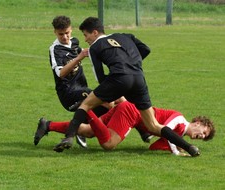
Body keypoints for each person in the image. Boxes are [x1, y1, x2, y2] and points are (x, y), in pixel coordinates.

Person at [53, 16, 200, 157]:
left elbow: (100, 77)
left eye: (86, 35)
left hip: (119, 78)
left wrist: (112, 85)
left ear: (95, 32)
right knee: (154, 126)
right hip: (138, 79)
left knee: (85, 105)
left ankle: (69, 138)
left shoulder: (94, 47)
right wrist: (133, 64)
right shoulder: (125, 35)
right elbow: (146, 49)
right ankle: (189, 147)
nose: (86, 39)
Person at [35, 100, 215, 156]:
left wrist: (175, 146)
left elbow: (154, 146)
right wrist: (177, 149)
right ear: (198, 123)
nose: (201, 136)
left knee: (89, 131)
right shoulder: (180, 120)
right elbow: (165, 129)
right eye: (204, 133)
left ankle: (48, 125)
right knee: (108, 144)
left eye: (204, 137)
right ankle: (87, 108)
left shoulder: (180, 131)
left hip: (129, 111)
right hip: (130, 112)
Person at [38, 15, 108, 148]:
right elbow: (61, 73)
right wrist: (79, 57)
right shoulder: (55, 49)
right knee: (107, 102)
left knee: (106, 106)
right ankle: (80, 127)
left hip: (81, 88)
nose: (65, 37)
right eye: (61, 34)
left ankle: (78, 125)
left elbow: (86, 52)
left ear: (71, 30)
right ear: (55, 32)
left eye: (67, 33)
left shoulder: (74, 42)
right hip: (68, 93)